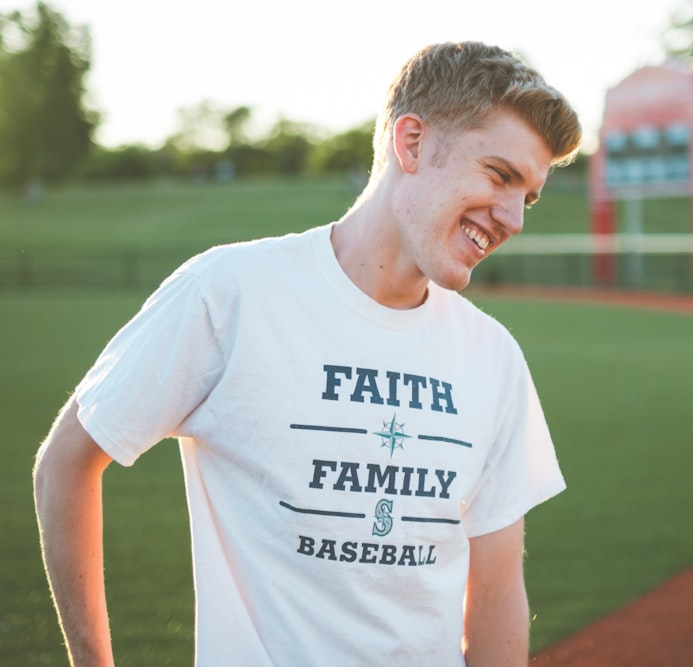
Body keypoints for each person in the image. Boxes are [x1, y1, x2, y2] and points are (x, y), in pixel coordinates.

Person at [33, 41, 582, 666]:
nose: (513, 216)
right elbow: (66, 463)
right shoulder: (232, 293)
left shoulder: (495, 357)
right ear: (412, 144)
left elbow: (498, 589)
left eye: (529, 196)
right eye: (499, 175)